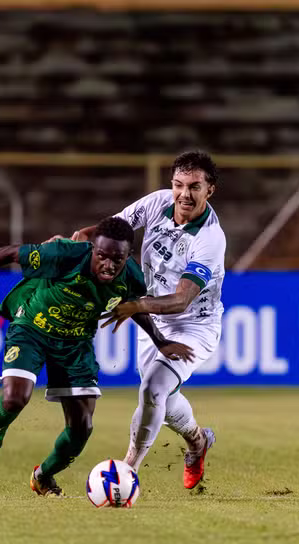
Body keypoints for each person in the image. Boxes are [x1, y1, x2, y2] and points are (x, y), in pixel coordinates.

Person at [0, 217, 194, 496]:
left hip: (76, 344)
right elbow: (8, 253)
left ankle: (43, 476)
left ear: (127, 256)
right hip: (32, 328)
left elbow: (135, 306)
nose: (109, 264)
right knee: (15, 397)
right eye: (102, 256)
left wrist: (160, 340)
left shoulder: (131, 277)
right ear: (93, 249)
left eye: (117, 259)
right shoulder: (64, 255)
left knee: (82, 427)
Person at [69, 151, 225, 489]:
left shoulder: (210, 239)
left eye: (194, 187)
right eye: (178, 185)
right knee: (163, 402)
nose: (184, 194)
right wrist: (82, 235)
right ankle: (198, 442)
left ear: (209, 190)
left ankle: (127, 471)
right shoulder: (157, 203)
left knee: (153, 389)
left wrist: (137, 306)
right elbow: (115, 229)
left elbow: (183, 298)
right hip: (153, 318)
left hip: (194, 325)